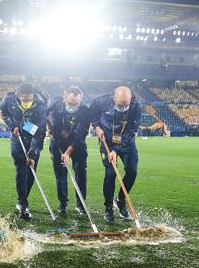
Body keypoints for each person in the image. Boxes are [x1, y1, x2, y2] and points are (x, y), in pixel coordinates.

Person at [90, 86, 142, 222]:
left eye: (126, 105)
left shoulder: (136, 107)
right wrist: (97, 127)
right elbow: (92, 115)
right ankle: (108, 208)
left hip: (126, 141)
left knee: (132, 171)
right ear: (113, 97)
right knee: (111, 173)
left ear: (131, 99)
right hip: (106, 139)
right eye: (120, 105)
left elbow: (131, 131)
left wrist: (116, 150)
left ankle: (120, 200)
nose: (123, 107)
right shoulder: (100, 102)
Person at [0, 83, 47, 220]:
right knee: (21, 169)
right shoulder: (8, 100)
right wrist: (12, 125)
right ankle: (23, 204)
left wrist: (32, 153)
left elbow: (40, 132)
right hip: (17, 137)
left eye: (29, 99)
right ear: (18, 96)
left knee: (31, 171)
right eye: (24, 100)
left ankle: (22, 199)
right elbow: (4, 113)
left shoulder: (40, 105)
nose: (27, 102)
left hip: (33, 136)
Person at [46, 86, 92, 215]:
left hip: (77, 145)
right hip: (57, 142)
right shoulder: (54, 104)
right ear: (64, 97)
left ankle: (81, 204)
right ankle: (63, 203)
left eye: (76, 104)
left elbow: (80, 135)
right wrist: (49, 128)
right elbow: (45, 115)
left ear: (81, 99)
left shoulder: (85, 112)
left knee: (81, 171)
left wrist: (67, 153)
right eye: (70, 103)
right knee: (60, 174)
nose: (73, 106)